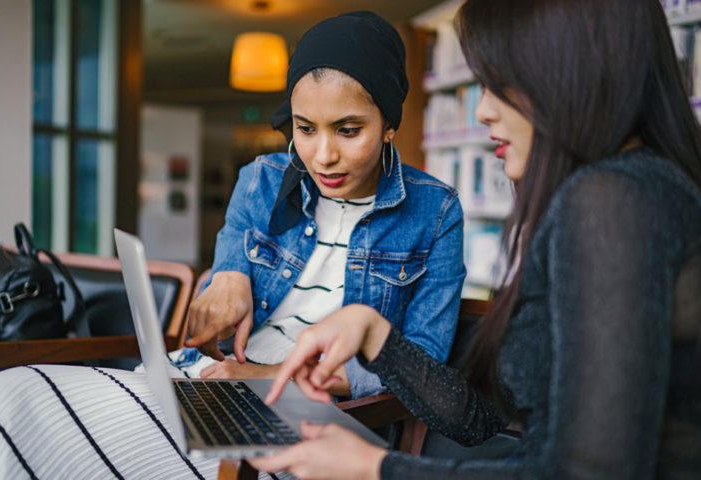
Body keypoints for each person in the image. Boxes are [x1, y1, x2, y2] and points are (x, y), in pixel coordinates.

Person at [0, 11, 465, 479]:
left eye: (347, 130)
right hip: (210, 380)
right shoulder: (261, 179)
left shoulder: (436, 212)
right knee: (11, 395)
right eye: (304, 128)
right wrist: (228, 274)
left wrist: (277, 379)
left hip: (317, 417)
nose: (323, 156)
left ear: (389, 124)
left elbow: (419, 368)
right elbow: (227, 278)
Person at [251, 0, 701, 478]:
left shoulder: (611, 201)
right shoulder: (638, 189)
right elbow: (479, 420)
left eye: (499, 83)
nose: (483, 110)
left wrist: (374, 469)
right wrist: (375, 334)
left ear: (572, 70)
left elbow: (589, 473)